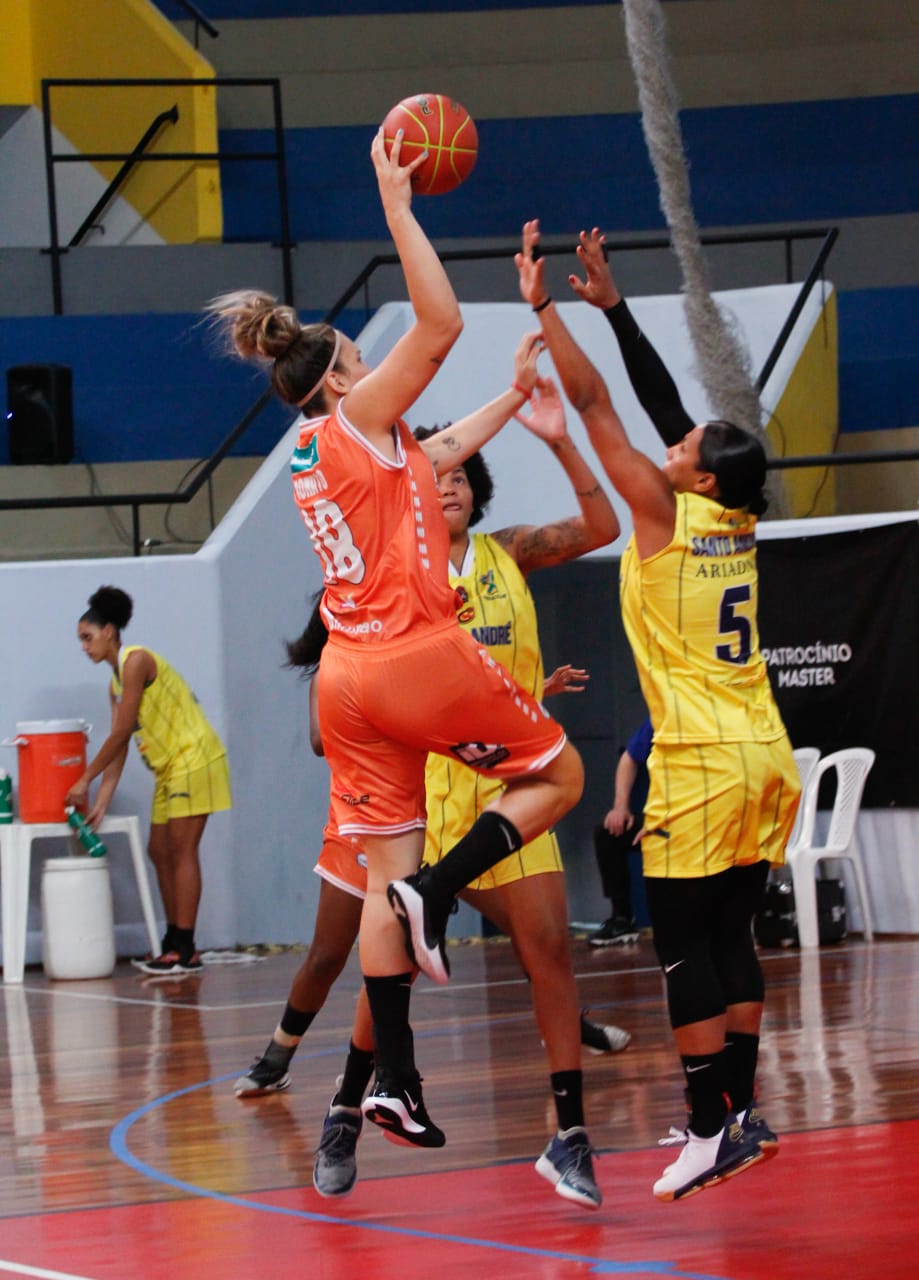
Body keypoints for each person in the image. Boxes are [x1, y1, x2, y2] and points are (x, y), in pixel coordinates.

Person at [207, 129, 585, 1167]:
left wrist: (516, 395)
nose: (379, 371)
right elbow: (443, 319)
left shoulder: (342, 451)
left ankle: (397, 1081)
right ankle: (443, 887)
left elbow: (446, 446)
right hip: (412, 652)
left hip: (348, 681)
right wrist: (399, 208)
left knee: (382, 878)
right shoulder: (357, 417)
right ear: (337, 384)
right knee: (559, 774)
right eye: (361, 362)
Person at [516, 220, 801, 1202]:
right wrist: (615, 306)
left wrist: (546, 307)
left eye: (682, 447)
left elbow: (597, 401)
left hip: (701, 757)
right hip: (766, 752)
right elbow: (668, 408)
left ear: (698, 475)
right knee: (732, 935)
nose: (670, 443)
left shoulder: (661, 511)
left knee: (678, 939)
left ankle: (707, 1123)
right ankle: (741, 1111)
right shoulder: (735, 510)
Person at [66, 585, 232, 975]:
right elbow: (122, 744)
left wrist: (85, 779)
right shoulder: (115, 684)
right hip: (169, 768)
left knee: (182, 849)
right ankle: (172, 940)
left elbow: (121, 733)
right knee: (159, 851)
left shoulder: (136, 661)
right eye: (80, 641)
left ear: (109, 631)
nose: (84, 647)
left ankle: (185, 947)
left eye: (87, 638)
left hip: (195, 759)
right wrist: (103, 798)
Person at [589, 715, 652, 947]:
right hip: (660, 818)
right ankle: (622, 919)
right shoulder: (662, 715)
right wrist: (620, 806)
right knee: (609, 834)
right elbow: (629, 758)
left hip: (702, 817)